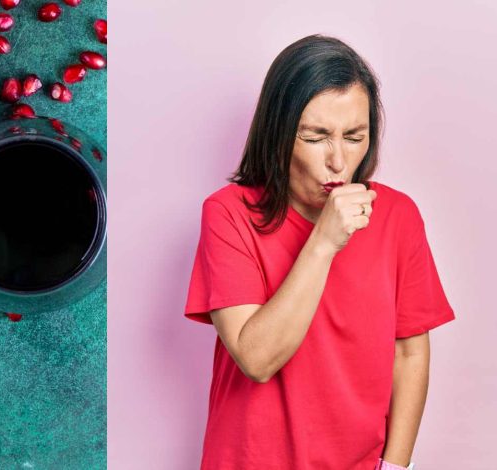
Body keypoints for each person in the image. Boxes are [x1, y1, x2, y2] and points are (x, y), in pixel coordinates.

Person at [183, 34, 455, 470]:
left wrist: (395, 466)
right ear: (278, 132)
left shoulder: (399, 217)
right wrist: (325, 241)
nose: (338, 161)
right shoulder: (228, 214)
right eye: (315, 137)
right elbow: (256, 358)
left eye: (354, 136)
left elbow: (409, 353)